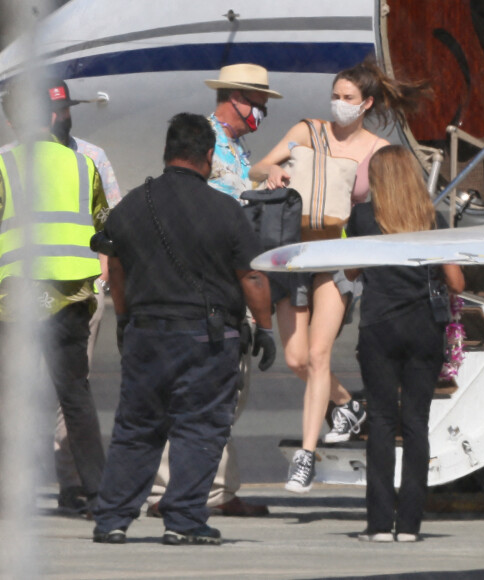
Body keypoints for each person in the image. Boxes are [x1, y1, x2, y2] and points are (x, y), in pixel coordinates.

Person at [92, 113, 276, 545]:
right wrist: (264, 327)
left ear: (166, 152)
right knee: (200, 427)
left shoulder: (133, 206)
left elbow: (115, 269)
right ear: (209, 156)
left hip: (145, 333)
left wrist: (124, 319)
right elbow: (251, 277)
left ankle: (113, 519)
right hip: (206, 338)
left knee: (136, 427)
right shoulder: (227, 210)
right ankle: (184, 519)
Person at [249, 59, 431, 493]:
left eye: (348, 99)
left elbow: (386, 204)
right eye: (335, 96)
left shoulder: (375, 149)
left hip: (336, 256)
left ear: (366, 104)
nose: (338, 104)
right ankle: (347, 404)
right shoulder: (306, 131)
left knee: (317, 355)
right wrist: (272, 170)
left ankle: (305, 457)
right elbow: (257, 169)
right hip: (294, 253)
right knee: (295, 359)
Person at [146, 63, 282, 518]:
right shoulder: (203, 140)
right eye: (258, 105)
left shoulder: (238, 148)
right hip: (206, 282)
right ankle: (166, 490)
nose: (261, 114)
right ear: (235, 98)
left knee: (229, 392)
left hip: (230, 279)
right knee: (193, 393)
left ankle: (217, 489)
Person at [0, 77, 122, 515]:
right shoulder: (83, 164)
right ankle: (98, 493)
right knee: (76, 396)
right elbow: (108, 228)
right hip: (72, 293)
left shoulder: (4, 166)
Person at [347, 145, 464, 543]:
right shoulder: (434, 219)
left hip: (380, 325)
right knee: (416, 423)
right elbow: (457, 282)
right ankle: (410, 525)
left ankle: (379, 524)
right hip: (424, 329)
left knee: (380, 421)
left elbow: (350, 268)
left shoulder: (363, 218)